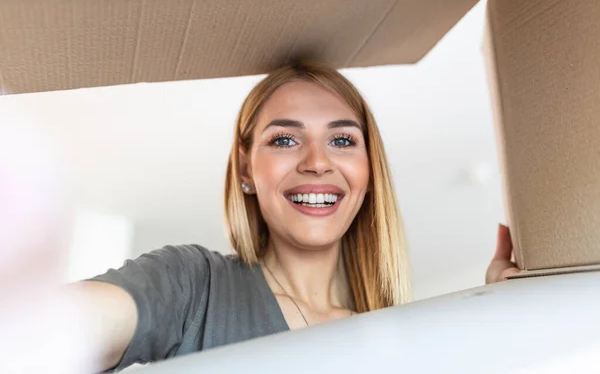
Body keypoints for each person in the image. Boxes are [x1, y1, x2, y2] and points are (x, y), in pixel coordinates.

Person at [67, 61, 518, 372]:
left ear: (369, 170)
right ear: (245, 168)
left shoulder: (404, 339)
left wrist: (504, 320)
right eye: (285, 140)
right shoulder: (193, 287)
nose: (317, 161)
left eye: (342, 141)